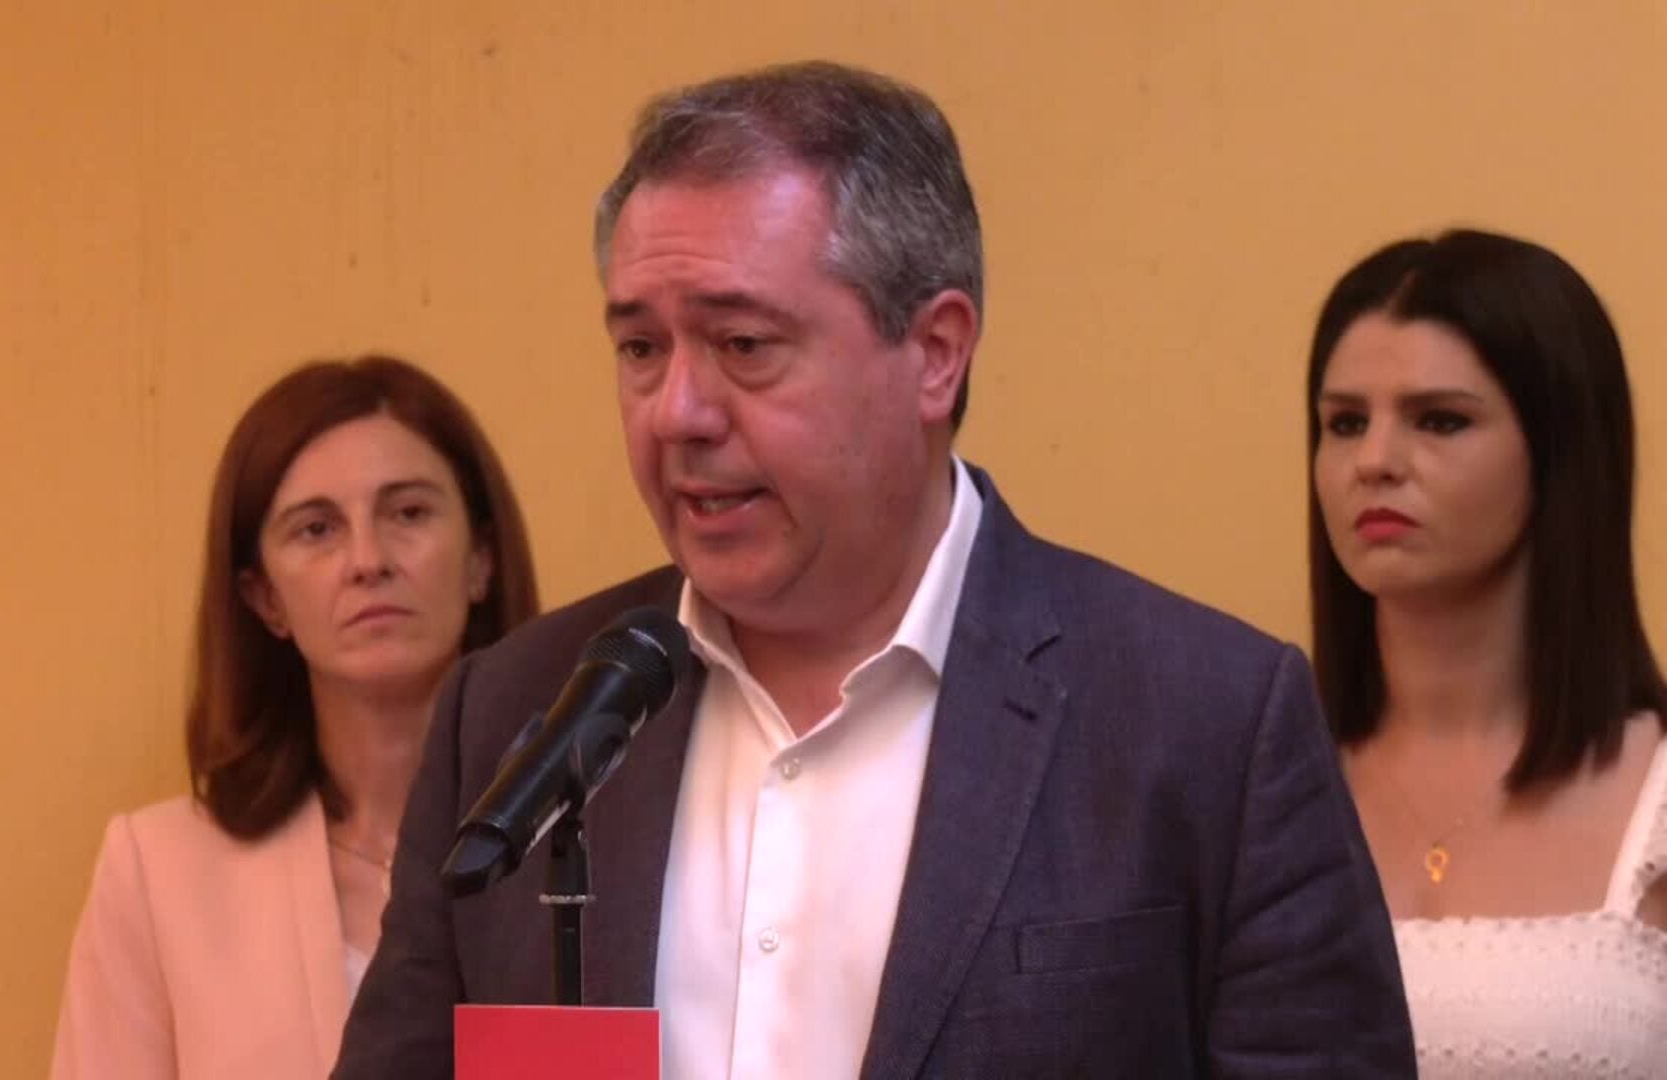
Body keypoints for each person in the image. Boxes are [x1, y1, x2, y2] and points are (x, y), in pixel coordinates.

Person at [335, 62, 1413, 1078]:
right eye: (641, 349)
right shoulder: (515, 715)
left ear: (936, 353)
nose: (676, 414)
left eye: (743, 345)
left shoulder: (1204, 723)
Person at [50, 356, 539, 1079]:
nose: (367, 560)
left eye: (408, 513)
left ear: (482, 559)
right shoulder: (158, 873)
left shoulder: (584, 847)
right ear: (264, 598)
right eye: (316, 530)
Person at [1308, 229, 1667, 1076]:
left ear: (1560, 451)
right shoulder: (1253, 784)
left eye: (1440, 420)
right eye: (1345, 422)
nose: (1375, 462)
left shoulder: (1654, 798)